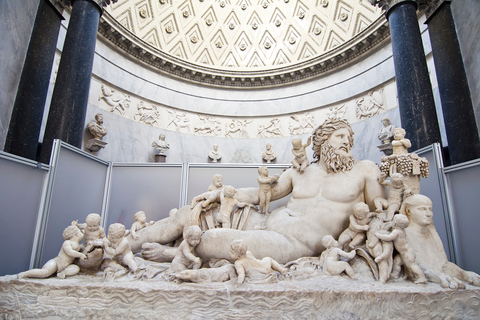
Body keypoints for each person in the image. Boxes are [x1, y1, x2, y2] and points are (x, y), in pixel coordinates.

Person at [135, 119, 383, 265]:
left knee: (213, 239)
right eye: (339, 136)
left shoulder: (364, 170)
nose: (346, 142)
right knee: (190, 212)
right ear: (322, 142)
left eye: (348, 138)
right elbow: (259, 194)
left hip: (293, 242)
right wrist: (220, 194)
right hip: (264, 221)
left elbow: (380, 210)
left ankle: (172, 255)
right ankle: (123, 244)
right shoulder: (300, 171)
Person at [401, 194, 480, 288]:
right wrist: (438, 276)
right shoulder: (403, 234)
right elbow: (411, 265)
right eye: (422, 209)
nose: (428, 214)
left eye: (430, 209)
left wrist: (464, 274)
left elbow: (443, 264)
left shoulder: (432, 233)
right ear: (408, 211)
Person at [18, 225, 86, 279]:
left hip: (66, 266)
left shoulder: (78, 245)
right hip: (56, 263)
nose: (82, 232)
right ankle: (25, 274)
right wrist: (80, 255)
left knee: (76, 268)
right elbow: (69, 252)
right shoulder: (67, 243)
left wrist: (74, 226)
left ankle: (63, 273)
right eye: (80, 232)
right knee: (44, 273)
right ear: (76, 234)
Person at [375, 214, 427, 284]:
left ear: (396, 223)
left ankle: (422, 277)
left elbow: (389, 237)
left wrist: (378, 235)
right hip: (404, 253)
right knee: (397, 262)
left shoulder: (396, 231)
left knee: (411, 265)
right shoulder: (401, 230)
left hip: (406, 253)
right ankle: (394, 275)